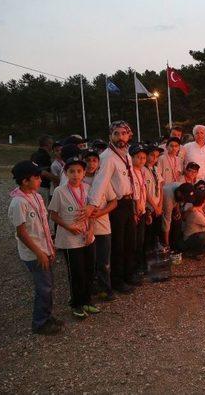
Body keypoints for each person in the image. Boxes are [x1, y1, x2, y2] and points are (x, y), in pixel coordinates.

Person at [8, 160, 62, 335]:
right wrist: (39, 252)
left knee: (48, 285)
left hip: (44, 249)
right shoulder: (18, 203)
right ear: (25, 181)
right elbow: (22, 233)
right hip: (33, 254)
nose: (40, 180)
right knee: (43, 287)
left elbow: (44, 226)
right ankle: (40, 322)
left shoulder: (37, 196)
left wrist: (50, 247)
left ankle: (46, 315)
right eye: (37, 177)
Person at [86, 121, 139, 294]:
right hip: (118, 206)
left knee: (130, 241)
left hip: (129, 202)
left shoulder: (126, 155)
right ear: (110, 136)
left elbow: (132, 180)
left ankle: (128, 274)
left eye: (123, 133)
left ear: (128, 135)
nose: (120, 137)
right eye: (116, 133)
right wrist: (92, 204)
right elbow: (100, 182)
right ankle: (117, 280)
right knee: (118, 244)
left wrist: (136, 200)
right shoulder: (107, 157)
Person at [48, 157, 98, 319]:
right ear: (66, 173)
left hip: (87, 237)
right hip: (70, 239)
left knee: (90, 269)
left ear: (84, 173)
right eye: (71, 171)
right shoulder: (59, 192)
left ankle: (87, 301)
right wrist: (68, 226)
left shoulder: (88, 188)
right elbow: (53, 215)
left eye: (79, 171)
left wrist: (91, 230)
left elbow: (91, 212)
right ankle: (76, 304)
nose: (75, 175)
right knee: (77, 273)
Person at [83, 149, 117, 301]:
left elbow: (113, 201)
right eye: (88, 160)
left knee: (103, 261)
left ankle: (105, 289)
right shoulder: (79, 181)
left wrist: (102, 212)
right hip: (83, 229)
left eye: (94, 160)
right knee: (88, 262)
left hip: (102, 227)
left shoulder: (102, 180)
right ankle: (89, 289)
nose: (91, 164)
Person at [161, 162, 200, 247]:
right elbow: (166, 221)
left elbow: (179, 200)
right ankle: (166, 245)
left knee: (177, 219)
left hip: (174, 204)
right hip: (158, 209)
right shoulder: (168, 196)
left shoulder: (181, 186)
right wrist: (166, 245)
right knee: (167, 224)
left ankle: (175, 245)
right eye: (190, 171)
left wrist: (177, 209)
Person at [130, 145, 148, 275]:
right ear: (132, 158)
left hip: (142, 210)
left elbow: (143, 191)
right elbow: (131, 194)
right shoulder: (130, 172)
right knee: (134, 242)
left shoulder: (142, 171)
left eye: (144, 158)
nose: (142, 160)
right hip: (134, 212)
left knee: (141, 240)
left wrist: (146, 209)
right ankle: (134, 268)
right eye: (138, 157)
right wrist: (134, 212)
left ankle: (140, 265)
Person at [144, 144, 164, 252]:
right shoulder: (142, 170)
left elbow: (160, 186)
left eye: (157, 156)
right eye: (152, 155)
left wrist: (160, 205)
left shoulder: (155, 169)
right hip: (148, 207)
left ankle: (156, 255)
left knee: (157, 232)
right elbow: (145, 191)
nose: (154, 159)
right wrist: (154, 207)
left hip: (157, 206)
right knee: (148, 234)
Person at [31, 135, 58, 205]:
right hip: (43, 186)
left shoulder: (34, 155)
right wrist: (56, 179)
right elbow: (42, 171)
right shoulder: (44, 156)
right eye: (51, 143)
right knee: (43, 208)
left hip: (33, 185)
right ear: (48, 144)